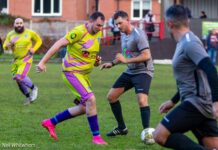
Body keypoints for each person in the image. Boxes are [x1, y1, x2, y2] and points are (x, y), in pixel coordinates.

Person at [36, 12, 107, 145]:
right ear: (90, 21)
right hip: (72, 72)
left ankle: (50, 122)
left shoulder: (98, 33)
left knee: (85, 107)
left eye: (102, 26)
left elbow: (89, 53)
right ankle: (96, 138)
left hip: (84, 75)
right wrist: (42, 62)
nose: (100, 28)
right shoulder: (78, 32)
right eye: (98, 25)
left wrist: (96, 61)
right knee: (91, 99)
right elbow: (58, 44)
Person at [153, 5, 218, 150]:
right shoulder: (185, 41)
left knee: (159, 135)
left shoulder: (190, 43)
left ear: (169, 23)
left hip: (196, 104)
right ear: (187, 21)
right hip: (199, 103)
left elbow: (211, 70)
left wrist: (216, 102)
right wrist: (173, 100)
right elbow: (188, 76)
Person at [101, 10, 154, 137]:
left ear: (128, 21)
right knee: (111, 97)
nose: (118, 26)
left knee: (142, 100)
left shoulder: (138, 34)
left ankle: (147, 133)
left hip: (143, 72)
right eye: (116, 24)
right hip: (130, 71)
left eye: (120, 23)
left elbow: (147, 55)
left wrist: (126, 60)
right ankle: (122, 128)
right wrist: (112, 63)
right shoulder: (123, 35)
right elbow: (126, 54)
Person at [3, 18, 42, 105]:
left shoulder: (29, 33)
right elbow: (4, 46)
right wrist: (9, 44)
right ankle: (28, 97)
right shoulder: (10, 34)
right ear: (14, 25)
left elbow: (39, 40)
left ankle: (34, 88)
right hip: (16, 60)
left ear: (23, 24)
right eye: (17, 23)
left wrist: (34, 49)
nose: (19, 25)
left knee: (19, 76)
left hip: (26, 58)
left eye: (21, 23)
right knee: (18, 80)